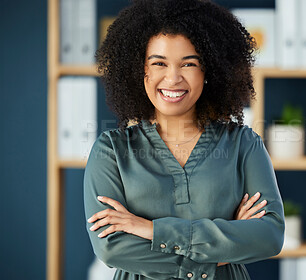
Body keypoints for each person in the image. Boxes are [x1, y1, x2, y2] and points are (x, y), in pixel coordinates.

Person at [84, 0, 285, 279]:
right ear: (140, 70)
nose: (173, 77)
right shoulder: (111, 151)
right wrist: (222, 250)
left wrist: (152, 230)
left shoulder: (244, 145)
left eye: (189, 63)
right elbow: (112, 248)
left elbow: (269, 236)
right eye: (159, 63)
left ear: (209, 70)